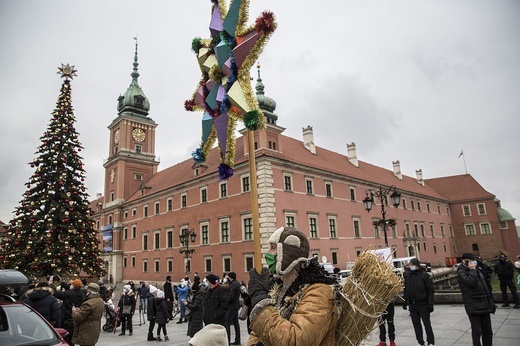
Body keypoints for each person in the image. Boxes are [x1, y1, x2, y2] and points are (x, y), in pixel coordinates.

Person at [246, 226, 339, 345]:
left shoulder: (319, 292)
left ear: (289, 254)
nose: (268, 253)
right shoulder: (277, 289)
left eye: (273, 248)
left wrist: (261, 301)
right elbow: (258, 331)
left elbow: (296, 340)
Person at [458, 252, 495, 346]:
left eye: (474, 261)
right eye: (471, 261)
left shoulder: (477, 270)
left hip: (484, 304)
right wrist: (472, 270)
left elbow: (485, 287)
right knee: (477, 332)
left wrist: (490, 302)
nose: (474, 263)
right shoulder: (461, 272)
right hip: (473, 305)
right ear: (465, 261)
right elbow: (471, 282)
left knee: (488, 331)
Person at [403, 258, 435, 346]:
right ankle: (420, 341)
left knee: (427, 324)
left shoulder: (424, 275)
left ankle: (431, 341)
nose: (411, 266)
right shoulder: (408, 275)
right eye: (410, 265)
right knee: (416, 325)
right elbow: (406, 289)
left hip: (423, 303)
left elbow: (430, 290)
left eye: (412, 264)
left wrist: (430, 303)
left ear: (417, 265)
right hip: (412, 304)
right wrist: (405, 300)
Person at [54, 278, 85, 345]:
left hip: (67, 319)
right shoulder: (80, 293)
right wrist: (62, 282)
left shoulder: (69, 294)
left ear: (73, 286)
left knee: (67, 339)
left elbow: (56, 294)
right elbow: (69, 288)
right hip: (73, 318)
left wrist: (51, 284)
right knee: (71, 338)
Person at [225, 272, 241, 345]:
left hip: (232, 306)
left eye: (228, 277)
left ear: (230, 278)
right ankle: (237, 339)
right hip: (236, 305)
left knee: (227, 322)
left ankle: (227, 340)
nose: (227, 278)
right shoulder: (237, 283)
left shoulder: (233, 285)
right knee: (235, 323)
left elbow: (231, 296)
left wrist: (226, 301)